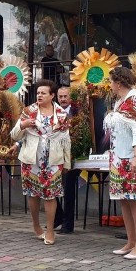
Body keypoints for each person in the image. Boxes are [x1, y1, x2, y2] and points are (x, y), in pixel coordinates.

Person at [10, 80, 72, 245]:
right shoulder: (28, 112)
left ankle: (50, 230)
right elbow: (14, 136)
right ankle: (36, 226)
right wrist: (22, 125)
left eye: (43, 93)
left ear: (52, 96)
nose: (39, 95)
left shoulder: (61, 114)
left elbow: (66, 140)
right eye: (38, 93)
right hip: (32, 160)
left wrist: (67, 163)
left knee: (51, 195)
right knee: (33, 194)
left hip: (53, 160)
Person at [104, 67, 136, 260]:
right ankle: (131, 241)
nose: (110, 85)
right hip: (119, 157)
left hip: (133, 157)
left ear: (118, 83)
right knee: (124, 200)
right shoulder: (120, 102)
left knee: (135, 200)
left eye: (111, 81)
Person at [56, 86, 80, 235]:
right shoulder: (54, 111)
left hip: (73, 156)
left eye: (65, 96)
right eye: (60, 96)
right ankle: (58, 217)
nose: (63, 99)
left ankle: (68, 224)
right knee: (51, 188)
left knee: (68, 190)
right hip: (56, 155)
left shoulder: (78, 112)